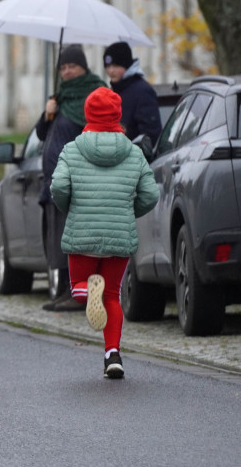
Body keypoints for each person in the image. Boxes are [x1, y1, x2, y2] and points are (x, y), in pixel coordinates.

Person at [50, 87, 159, 378]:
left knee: (78, 290)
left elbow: (59, 187)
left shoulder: (72, 149)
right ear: (118, 115)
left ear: (87, 114)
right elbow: (150, 194)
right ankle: (113, 355)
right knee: (112, 295)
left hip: (81, 233)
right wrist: (125, 212)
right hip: (119, 234)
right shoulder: (134, 153)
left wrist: (69, 208)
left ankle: (88, 294)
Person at [35, 44, 107, 311]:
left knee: (76, 240)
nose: (66, 72)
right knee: (59, 240)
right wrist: (47, 114)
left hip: (78, 183)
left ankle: (81, 294)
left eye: (71, 66)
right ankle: (67, 291)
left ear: (83, 67)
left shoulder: (94, 94)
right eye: (62, 67)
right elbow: (42, 135)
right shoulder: (60, 98)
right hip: (55, 183)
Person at [103, 41, 162, 148]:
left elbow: (150, 134)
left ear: (126, 65)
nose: (111, 70)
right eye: (108, 66)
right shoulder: (114, 91)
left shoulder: (142, 91)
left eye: (116, 65)